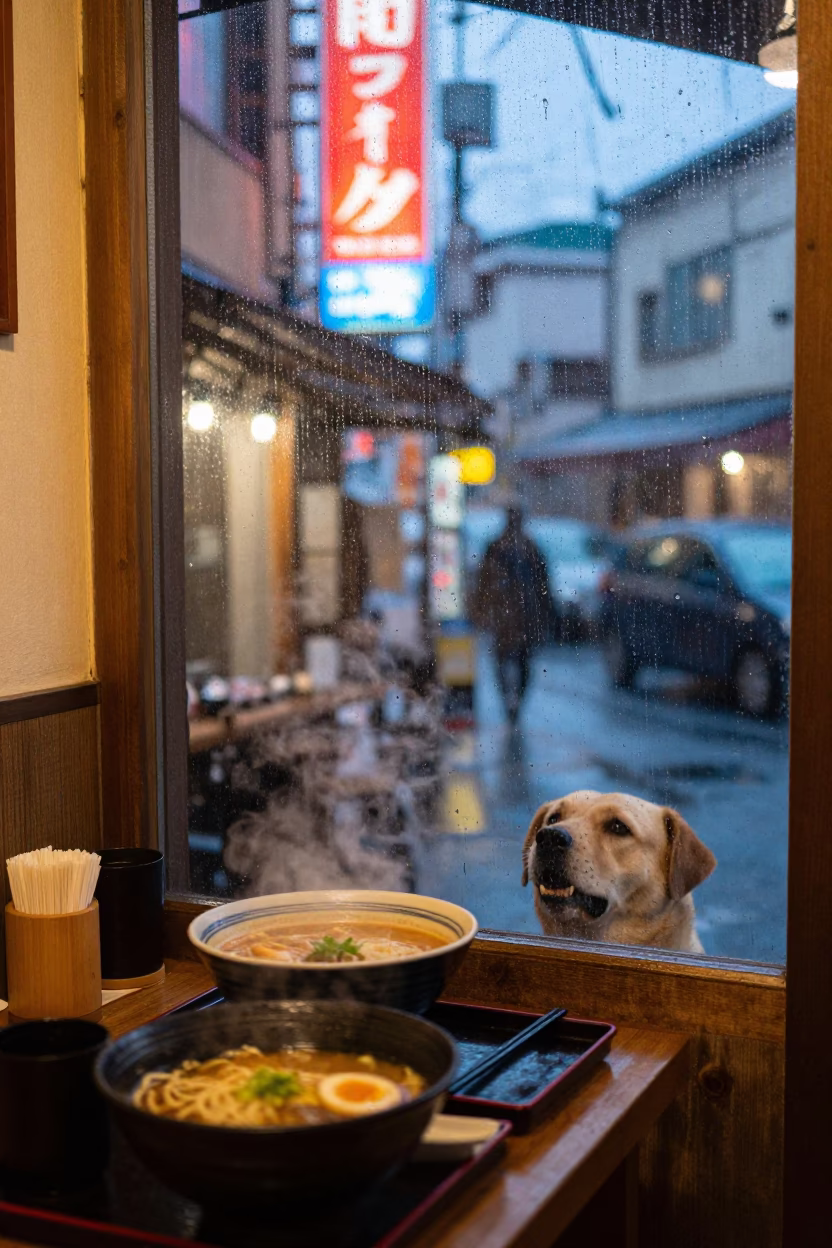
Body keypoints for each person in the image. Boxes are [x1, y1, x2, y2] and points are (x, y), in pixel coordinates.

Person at [471, 508, 552, 723]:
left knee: (511, 661)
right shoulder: (524, 548)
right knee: (519, 661)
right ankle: (513, 702)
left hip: (511, 616)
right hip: (517, 615)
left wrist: (481, 610)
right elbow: (543, 586)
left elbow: (484, 582)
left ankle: (511, 702)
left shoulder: (516, 548)